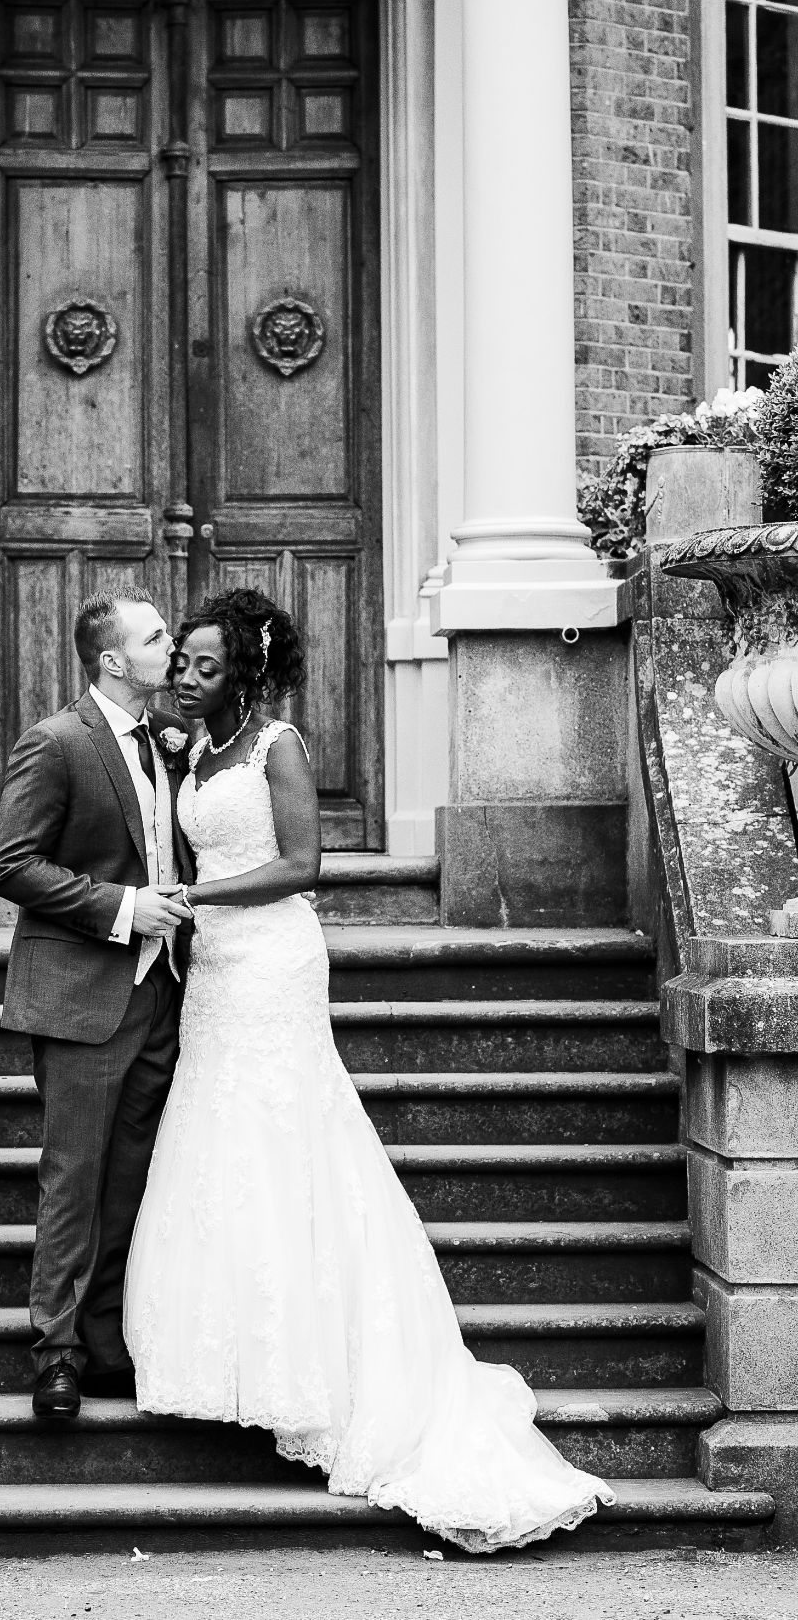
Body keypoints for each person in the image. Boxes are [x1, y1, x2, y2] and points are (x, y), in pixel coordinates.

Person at [123, 585, 615, 1552]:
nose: (186, 675)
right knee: (220, 1138)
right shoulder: (193, 749)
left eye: (206, 665)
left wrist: (197, 895)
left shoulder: (279, 746)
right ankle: (232, 1358)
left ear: (245, 674)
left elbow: (304, 864)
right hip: (214, 970)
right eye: (181, 660)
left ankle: (313, 1368)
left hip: (272, 960)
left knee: (285, 1134)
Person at [0, 585, 194, 1419]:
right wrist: (122, 907)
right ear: (112, 659)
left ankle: (106, 1341)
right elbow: (12, 863)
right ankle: (57, 1354)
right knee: (73, 1177)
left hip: (161, 990)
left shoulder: (169, 740)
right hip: (82, 993)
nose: (171, 645)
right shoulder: (56, 742)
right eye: (156, 637)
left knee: (130, 1175)